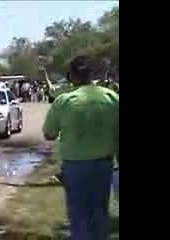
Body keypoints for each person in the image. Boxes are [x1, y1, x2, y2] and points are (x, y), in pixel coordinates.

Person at [42, 56, 119, 240]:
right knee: (100, 211)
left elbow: (49, 134)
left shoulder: (64, 100)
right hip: (104, 163)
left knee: (79, 215)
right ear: (92, 74)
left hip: (75, 165)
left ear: (71, 76)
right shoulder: (112, 97)